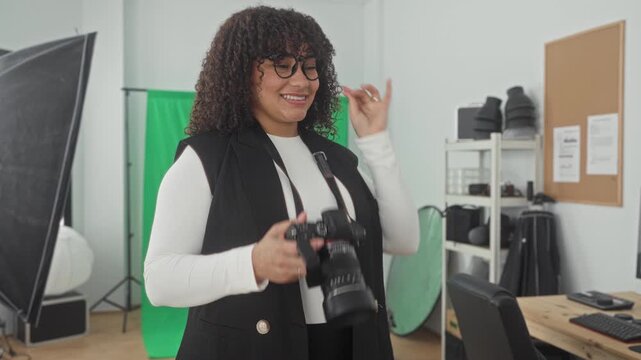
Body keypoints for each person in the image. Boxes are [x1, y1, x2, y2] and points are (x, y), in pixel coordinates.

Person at [144, 5, 419, 360]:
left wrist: (376, 142)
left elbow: (404, 240)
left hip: (353, 344)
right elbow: (159, 280)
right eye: (282, 65)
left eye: (309, 66)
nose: (302, 81)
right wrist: (253, 263)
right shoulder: (207, 159)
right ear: (242, 72)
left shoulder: (336, 158)